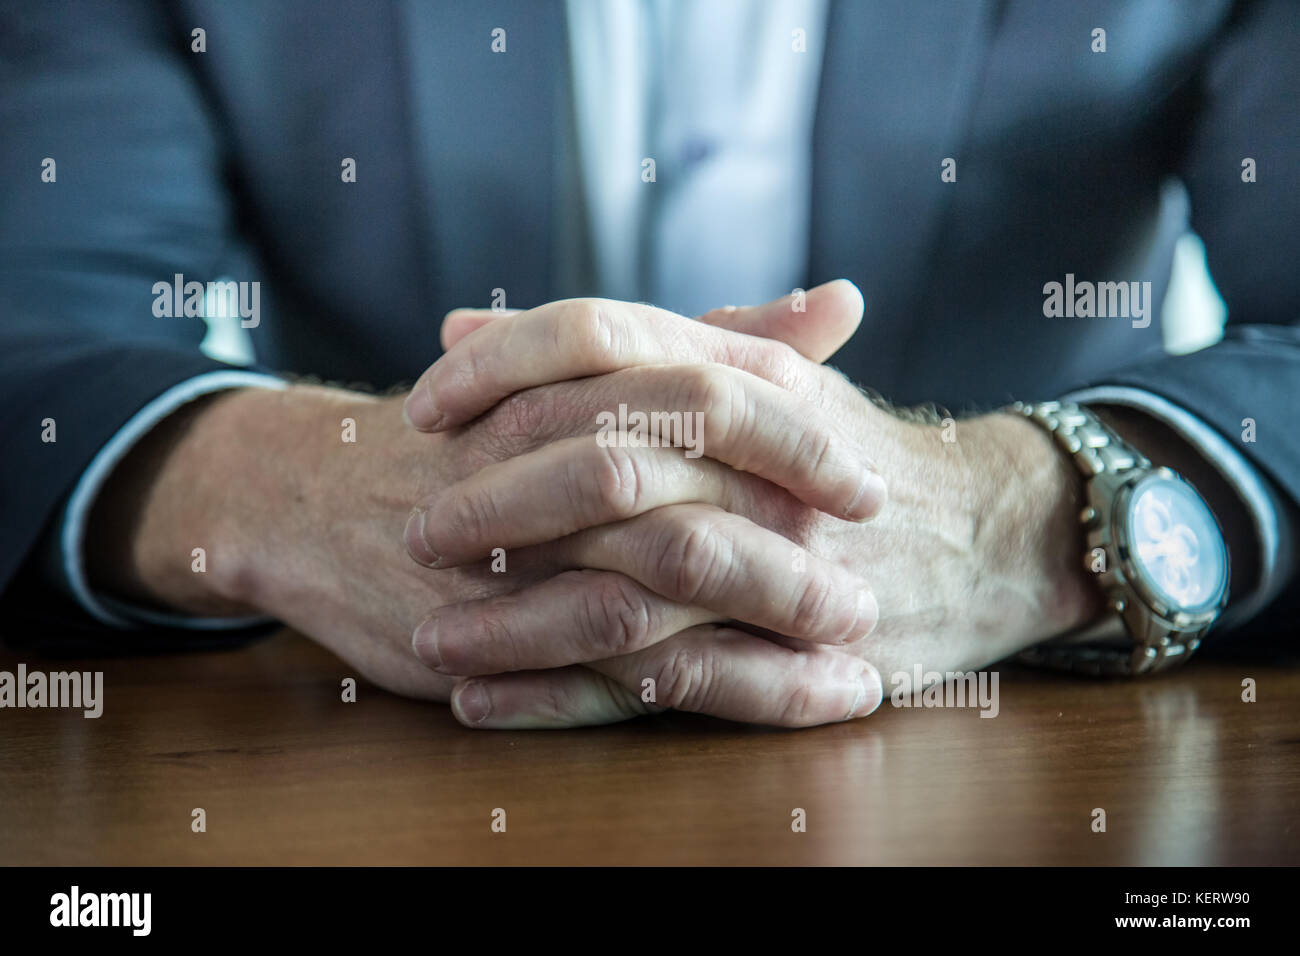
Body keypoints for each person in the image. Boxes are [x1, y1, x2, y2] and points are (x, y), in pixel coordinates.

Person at [1, 1, 1295, 728]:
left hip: (1017, 736)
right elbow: (34, 334)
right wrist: (278, 494)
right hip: (398, 740)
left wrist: (1028, 521)